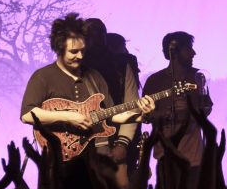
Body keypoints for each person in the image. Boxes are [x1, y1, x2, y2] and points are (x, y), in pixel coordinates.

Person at [20, 13, 154, 169]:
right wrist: (68, 117)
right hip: (59, 157)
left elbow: (112, 114)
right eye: (74, 52)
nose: (80, 56)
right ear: (60, 49)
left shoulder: (95, 76)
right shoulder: (43, 76)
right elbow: (26, 114)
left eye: (82, 51)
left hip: (95, 153)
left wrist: (141, 115)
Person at [143, 31, 213, 189]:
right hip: (166, 156)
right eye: (188, 49)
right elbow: (144, 115)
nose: (193, 53)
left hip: (194, 158)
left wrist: (195, 111)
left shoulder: (198, 76)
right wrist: (162, 114)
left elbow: (207, 108)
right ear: (173, 51)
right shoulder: (155, 81)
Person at [82, 19, 141, 189]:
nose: (95, 39)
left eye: (99, 33)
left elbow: (132, 106)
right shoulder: (75, 67)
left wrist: (122, 143)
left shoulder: (122, 65)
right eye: (89, 34)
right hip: (83, 148)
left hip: (114, 145)